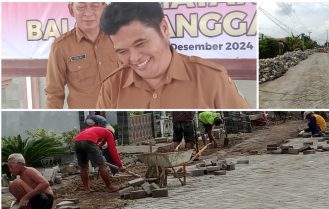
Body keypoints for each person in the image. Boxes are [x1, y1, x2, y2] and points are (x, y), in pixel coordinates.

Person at [97, 2, 251, 108]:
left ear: (164, 28)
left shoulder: (211, 78)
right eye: (122, 51)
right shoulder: (112, 86)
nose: (135, 58)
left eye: (140, 43)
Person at [45, 2, 119, 108]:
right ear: (71, 9)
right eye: (81, 7)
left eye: (94, 6)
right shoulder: (61, 46)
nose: (88, 13)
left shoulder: (120, 38)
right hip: (84, 116)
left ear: (104, 8)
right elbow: (54, 93)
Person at [74, 126, 125, 193]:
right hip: (89, 141)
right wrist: (120, 165)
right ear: (112, 132)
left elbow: (102, 142)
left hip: (77, 142)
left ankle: (86, 189)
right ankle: (109, 187)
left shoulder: (97, 129)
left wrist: (99, 147)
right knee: (102, 165)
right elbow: (112, 149)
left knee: (83, 167)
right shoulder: (109, 133)